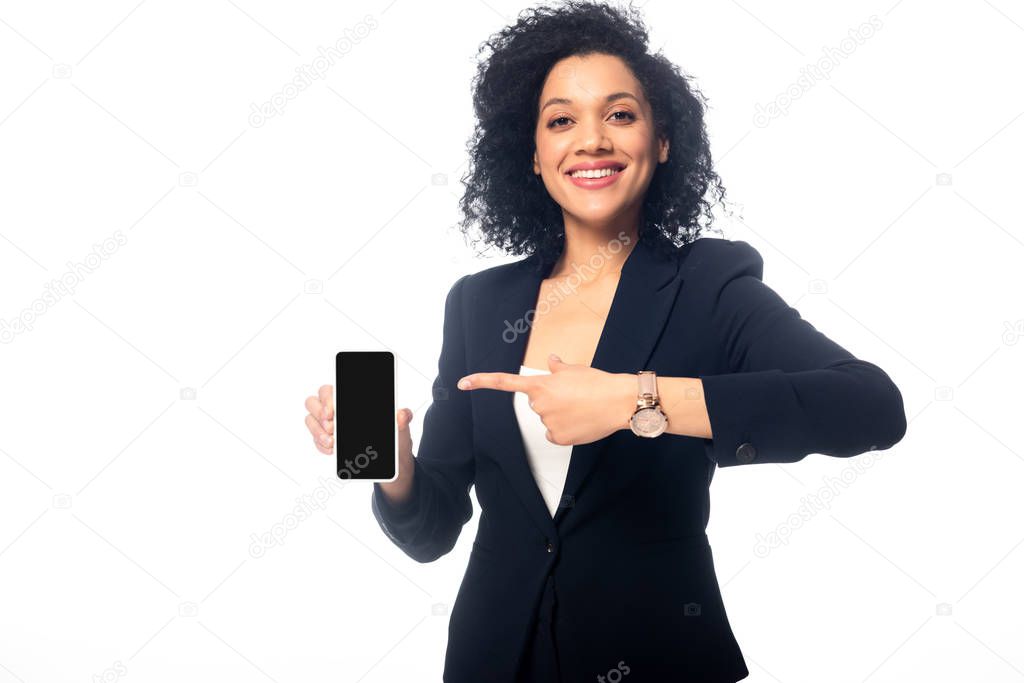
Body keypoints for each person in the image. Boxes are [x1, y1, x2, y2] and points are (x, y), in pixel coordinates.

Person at [304, 2, 907, 680]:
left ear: (663, 139)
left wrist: (635, 399)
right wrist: (396, 465)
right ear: (532, 155)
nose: (590, 140)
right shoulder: (479, 303)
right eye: (561, 120)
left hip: (657, 660)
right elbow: (433, 528)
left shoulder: (709, 285)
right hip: (494, 660)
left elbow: (872, 406)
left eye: (619, 114)